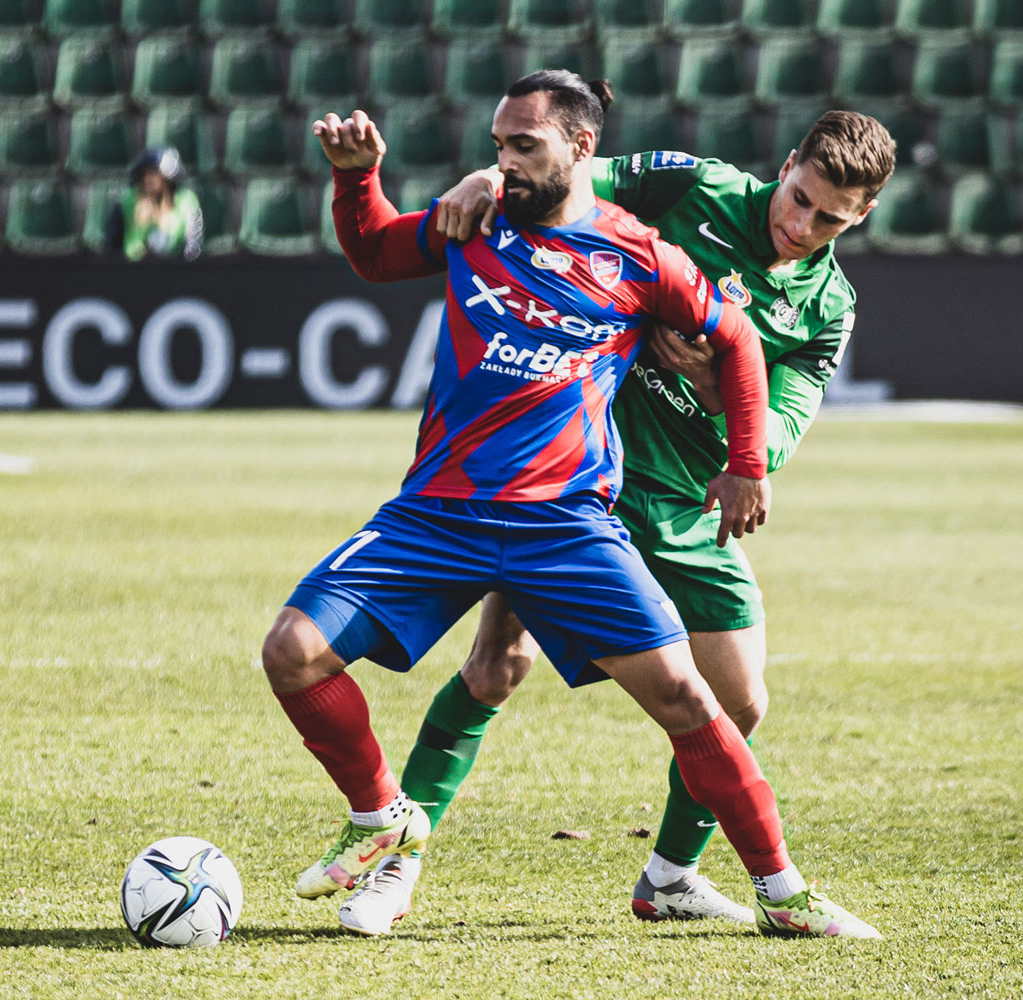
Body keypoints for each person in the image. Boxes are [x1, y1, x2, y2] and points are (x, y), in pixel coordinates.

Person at [267, 70, 876, 941]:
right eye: (800, 198)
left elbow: (768, 395)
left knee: (731, 701)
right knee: (490, 669)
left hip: (661, 499)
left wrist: (738, 441)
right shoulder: (666, 191)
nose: (801, 222)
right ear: (785, 168)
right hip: (542, 493)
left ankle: (679, 876)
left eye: (829, 218)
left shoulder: (799, 300)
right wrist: (467, 180)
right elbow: (562, 186)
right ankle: (394, 851)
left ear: (859, 220)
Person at [103, 146, 203, 261]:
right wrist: (138, 226)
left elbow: (192, 248)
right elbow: (118, 249)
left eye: (153, 174)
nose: (147, 180)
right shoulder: (128, 201)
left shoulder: (186, 201)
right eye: (144, 174)